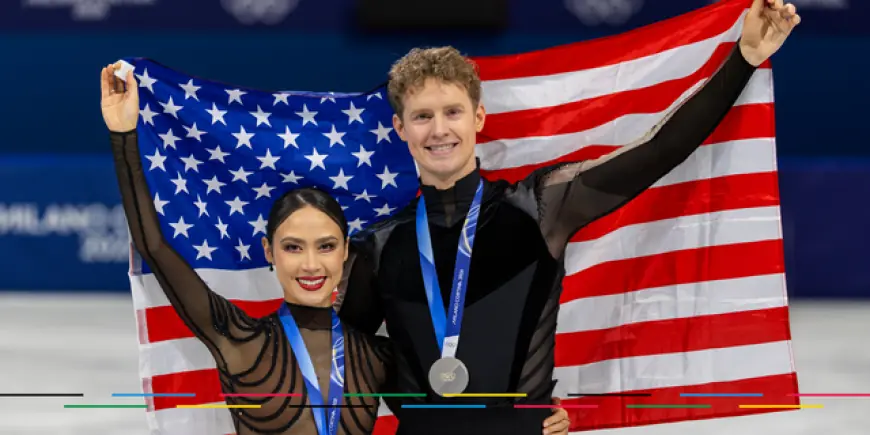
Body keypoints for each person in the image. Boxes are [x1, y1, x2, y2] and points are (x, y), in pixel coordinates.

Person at [335, 0, 801, 433]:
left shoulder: (539, 207)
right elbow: (344, 356)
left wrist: (743, 58)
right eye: (422, 116)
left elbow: (659, 150)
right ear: (400, 127)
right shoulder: (379, 245)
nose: (439, 130)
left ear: (478, 118)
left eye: (452, 112)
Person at [99, 65, 572, 435]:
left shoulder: (377, 359)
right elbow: (155, 246)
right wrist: (124, 136)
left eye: (325, 246)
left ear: (347, 254)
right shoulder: (239, 340)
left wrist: (529, 418)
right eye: (293, 247)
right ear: (270, 253)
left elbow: (457, 402)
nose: (310, 263)